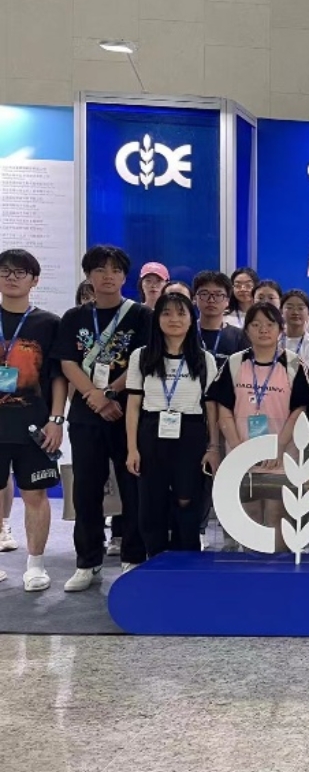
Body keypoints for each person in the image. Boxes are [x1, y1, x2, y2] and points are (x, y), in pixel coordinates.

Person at [53, 245, 152, 591]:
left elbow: (143, 359)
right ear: (88, 276)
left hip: (129, 415)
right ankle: (87, 561)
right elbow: (67, 362)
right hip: (86, 416)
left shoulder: (141, 315)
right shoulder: (74, 317)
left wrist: (110, 392)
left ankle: (133, 556)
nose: (107, 276)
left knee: (132, 487)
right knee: (86, 490)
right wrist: (95, 396)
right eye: (100, 269)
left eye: (115, 270)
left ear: (125, 276)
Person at [208, 303, 309, 549]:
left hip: (282, 458)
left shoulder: (294, 364)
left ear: (280, 329)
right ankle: (251, 569)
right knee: (250, 517)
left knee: (278, 516)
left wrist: (279, 447)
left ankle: (277, 569)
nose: (263, 330)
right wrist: (239, 449)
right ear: (247, 330)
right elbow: (223, 408)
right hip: (241, 456)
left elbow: (299, 411)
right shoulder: (235, 363)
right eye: (256, 325)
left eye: (270, 324)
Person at [125, 293, 219, 557]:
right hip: (151, 431)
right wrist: (132, 449)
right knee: (150, 502)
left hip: (191, 432)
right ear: (157, 319)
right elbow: (133, 406)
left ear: (191, 319)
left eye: (181, 313)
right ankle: (154, 559)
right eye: (166, 313)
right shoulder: (141, 356)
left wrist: (213, 446)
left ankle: (186, 560)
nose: (174, 319)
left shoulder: (204, 359)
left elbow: (211, 408)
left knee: (187, 500)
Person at [0, 250, 65, 590]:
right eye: (5, 271)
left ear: (35, 280)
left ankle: (36, 565)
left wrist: (57, 419)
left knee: (35, 494)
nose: (12, 277)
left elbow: (58, 377)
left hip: (34, 427)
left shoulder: (48, 324)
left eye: (20, 272)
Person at [193, 271, 248, 366]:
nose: (211, 300)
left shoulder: (240, 336)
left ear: (227, 301)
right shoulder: (186, 333)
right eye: (204, 294)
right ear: (195, 299)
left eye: (218, 295)